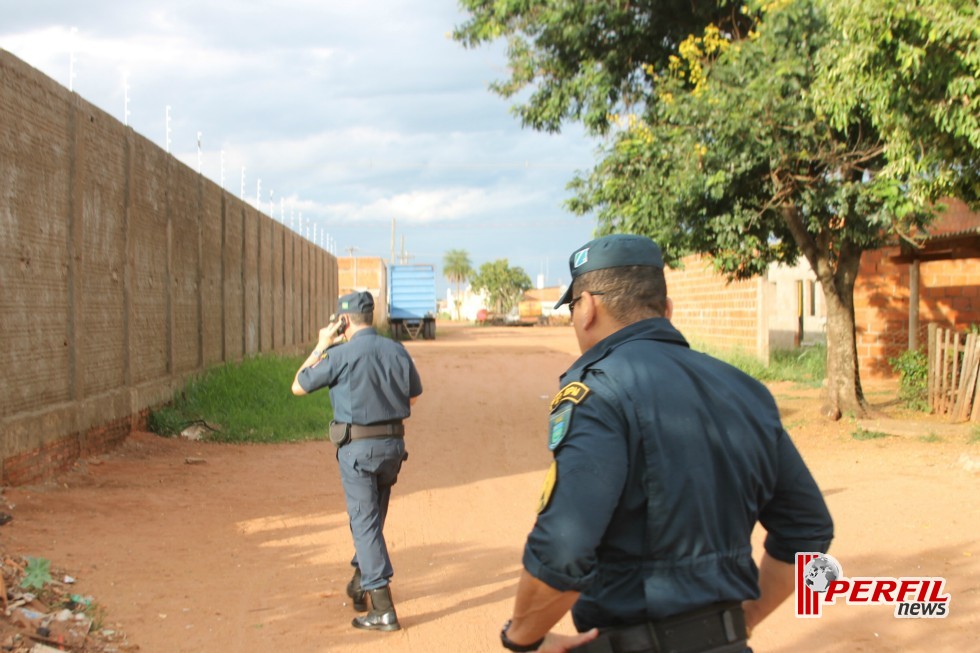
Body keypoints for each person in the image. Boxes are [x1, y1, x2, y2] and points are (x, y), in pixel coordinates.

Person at [498, 234, 834, 653]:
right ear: (667, 310)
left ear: (587, 308)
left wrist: (521, 640)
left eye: (572, 308)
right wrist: (743, 622)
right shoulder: (747, 390)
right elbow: (811, 532)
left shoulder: (599, 392)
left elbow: (563, 551)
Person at [291, 291, 422, 632]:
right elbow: (414, 394)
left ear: (343, 321)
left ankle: (382, 608)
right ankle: (359, 580)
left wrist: (321, 344)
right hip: (393, 447)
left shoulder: (339, 353)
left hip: (358, 450)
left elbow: (298, 386)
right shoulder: (397, 348)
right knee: (372, 519)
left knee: (364, 523)